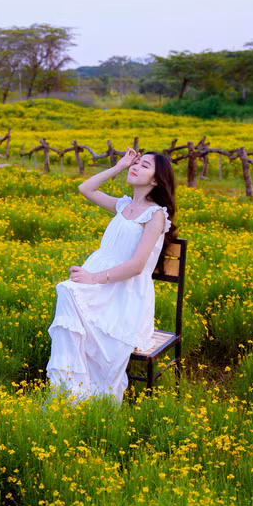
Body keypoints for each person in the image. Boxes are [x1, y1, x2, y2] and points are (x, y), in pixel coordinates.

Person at [45, 148, 177, 405]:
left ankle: (79, 393)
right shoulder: (124, 205)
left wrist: (93, 278)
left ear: (156, 180)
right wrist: (119, 166)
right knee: (66, 290)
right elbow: (86, 188)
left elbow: (137, 266)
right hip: (103, 288)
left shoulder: (155, 215)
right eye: (136, 163)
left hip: (126, 296)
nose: (135, 167)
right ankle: (69, 389)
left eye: (144, 165)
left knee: (69, 291)